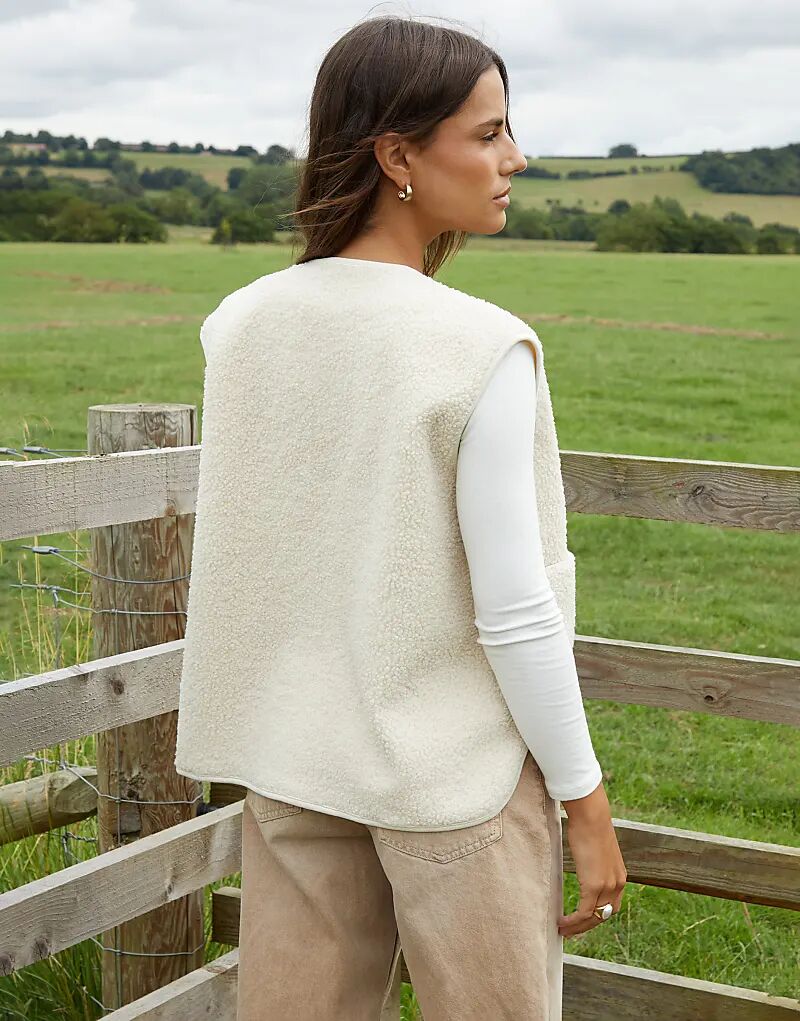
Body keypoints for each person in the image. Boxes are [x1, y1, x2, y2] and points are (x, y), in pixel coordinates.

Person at [174, 13, 627, 1020]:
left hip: (292, 761)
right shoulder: (476, 347)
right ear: (397, 157)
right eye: (488, 133)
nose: (515, 158)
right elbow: (514, 608)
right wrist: (584, 799)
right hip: (453, 782)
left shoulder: (241, 323)